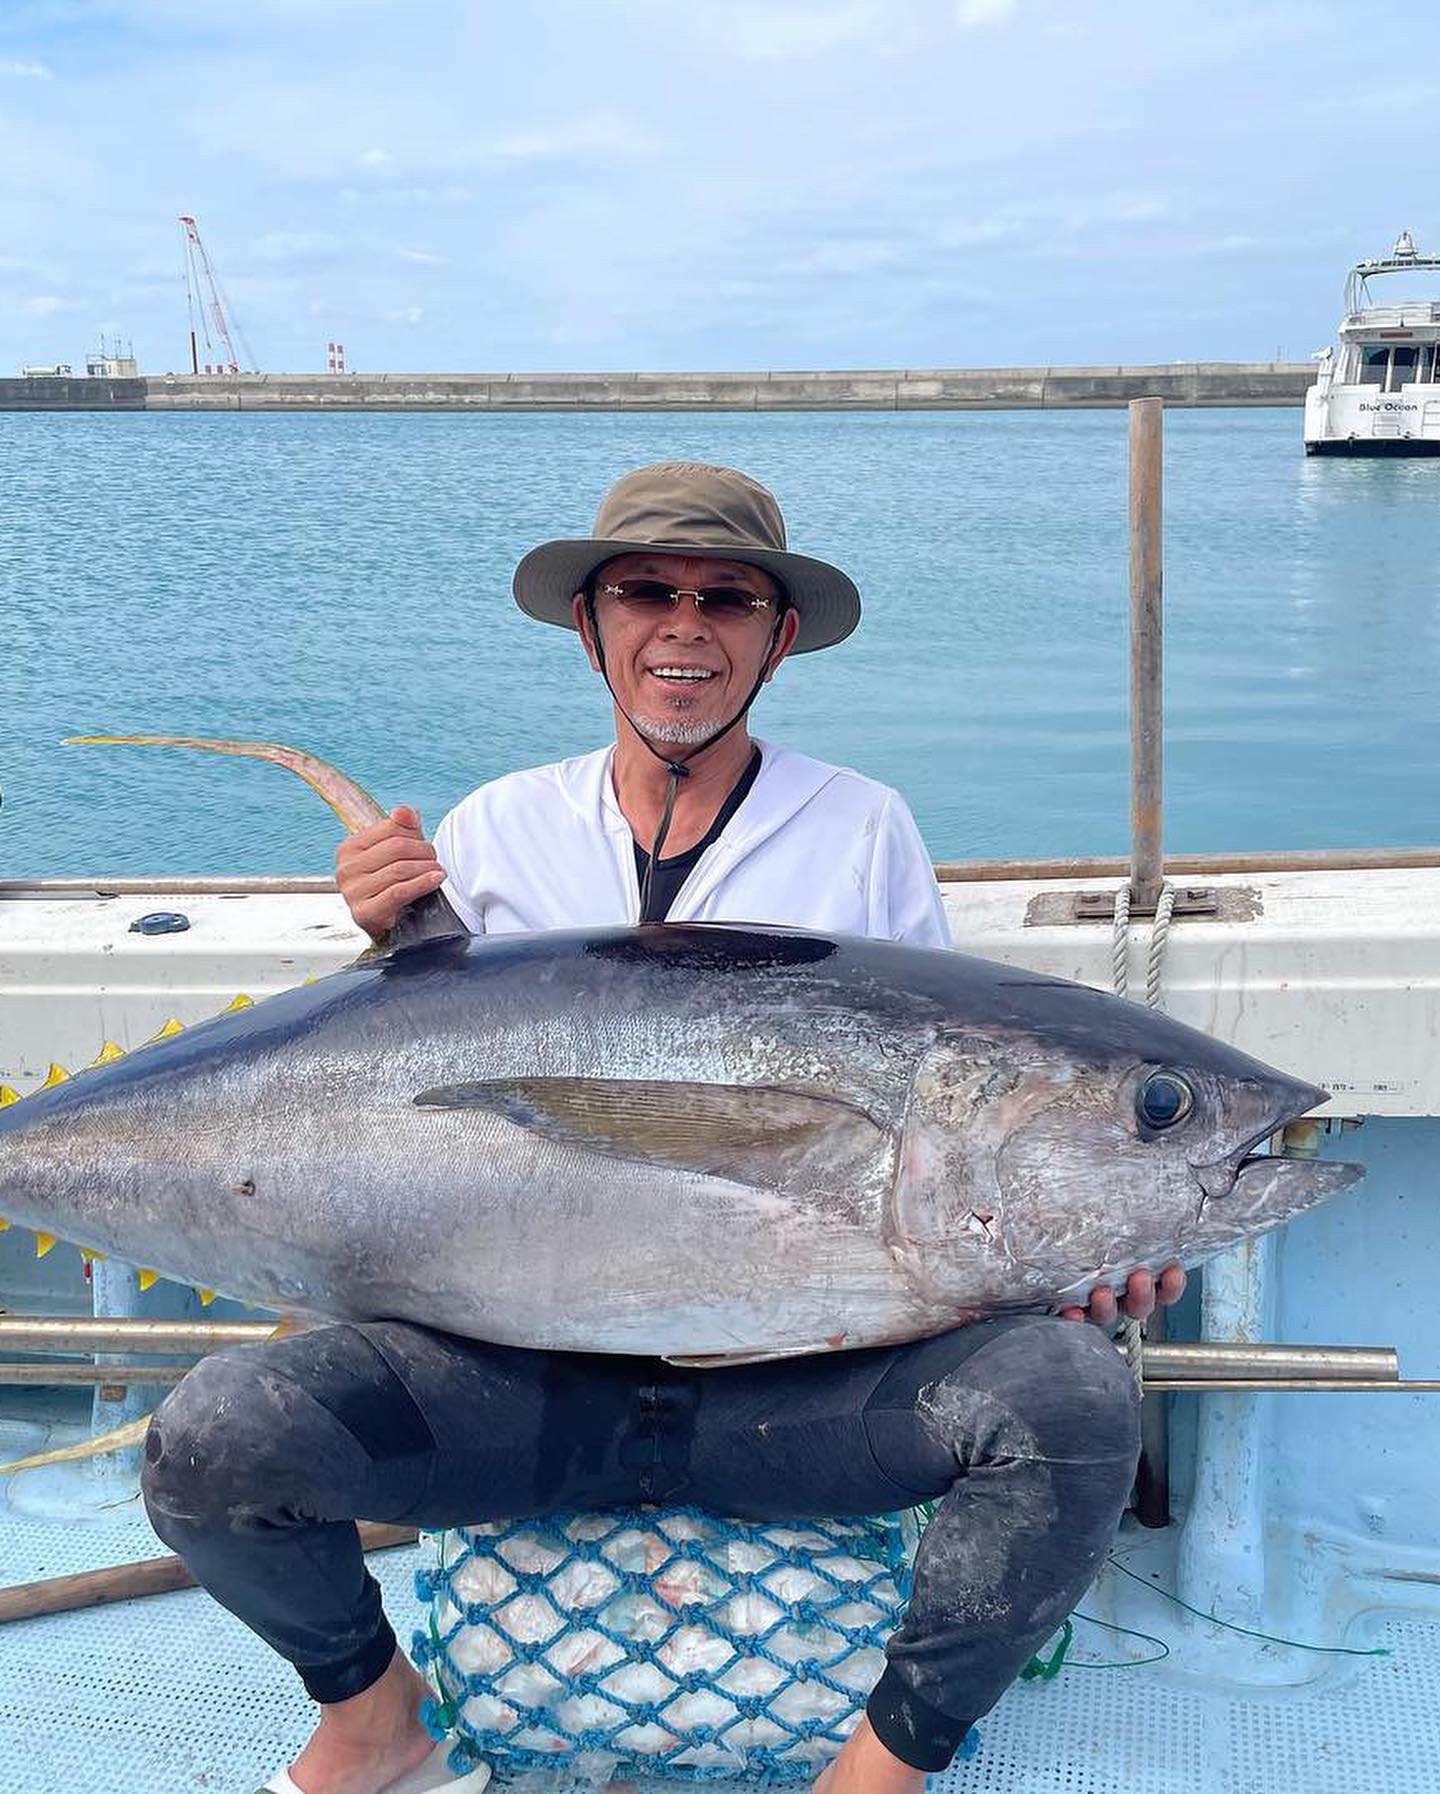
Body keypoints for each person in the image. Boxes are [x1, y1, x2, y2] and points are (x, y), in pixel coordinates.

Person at [141, 462, 1183, 1794]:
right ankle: (370, 1720)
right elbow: (394, 1101)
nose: (683, 624)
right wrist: (380, 935)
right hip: (523, 1384)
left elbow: (947, 1124)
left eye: (726, 596)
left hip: (792, 1395)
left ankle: (877, 1773)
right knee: (212, 1441)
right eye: (646, 589)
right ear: (590, 620)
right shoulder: (496, 829)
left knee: (1076, 1398)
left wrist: (1077, 1242)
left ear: (777, 633)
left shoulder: (861, 828)